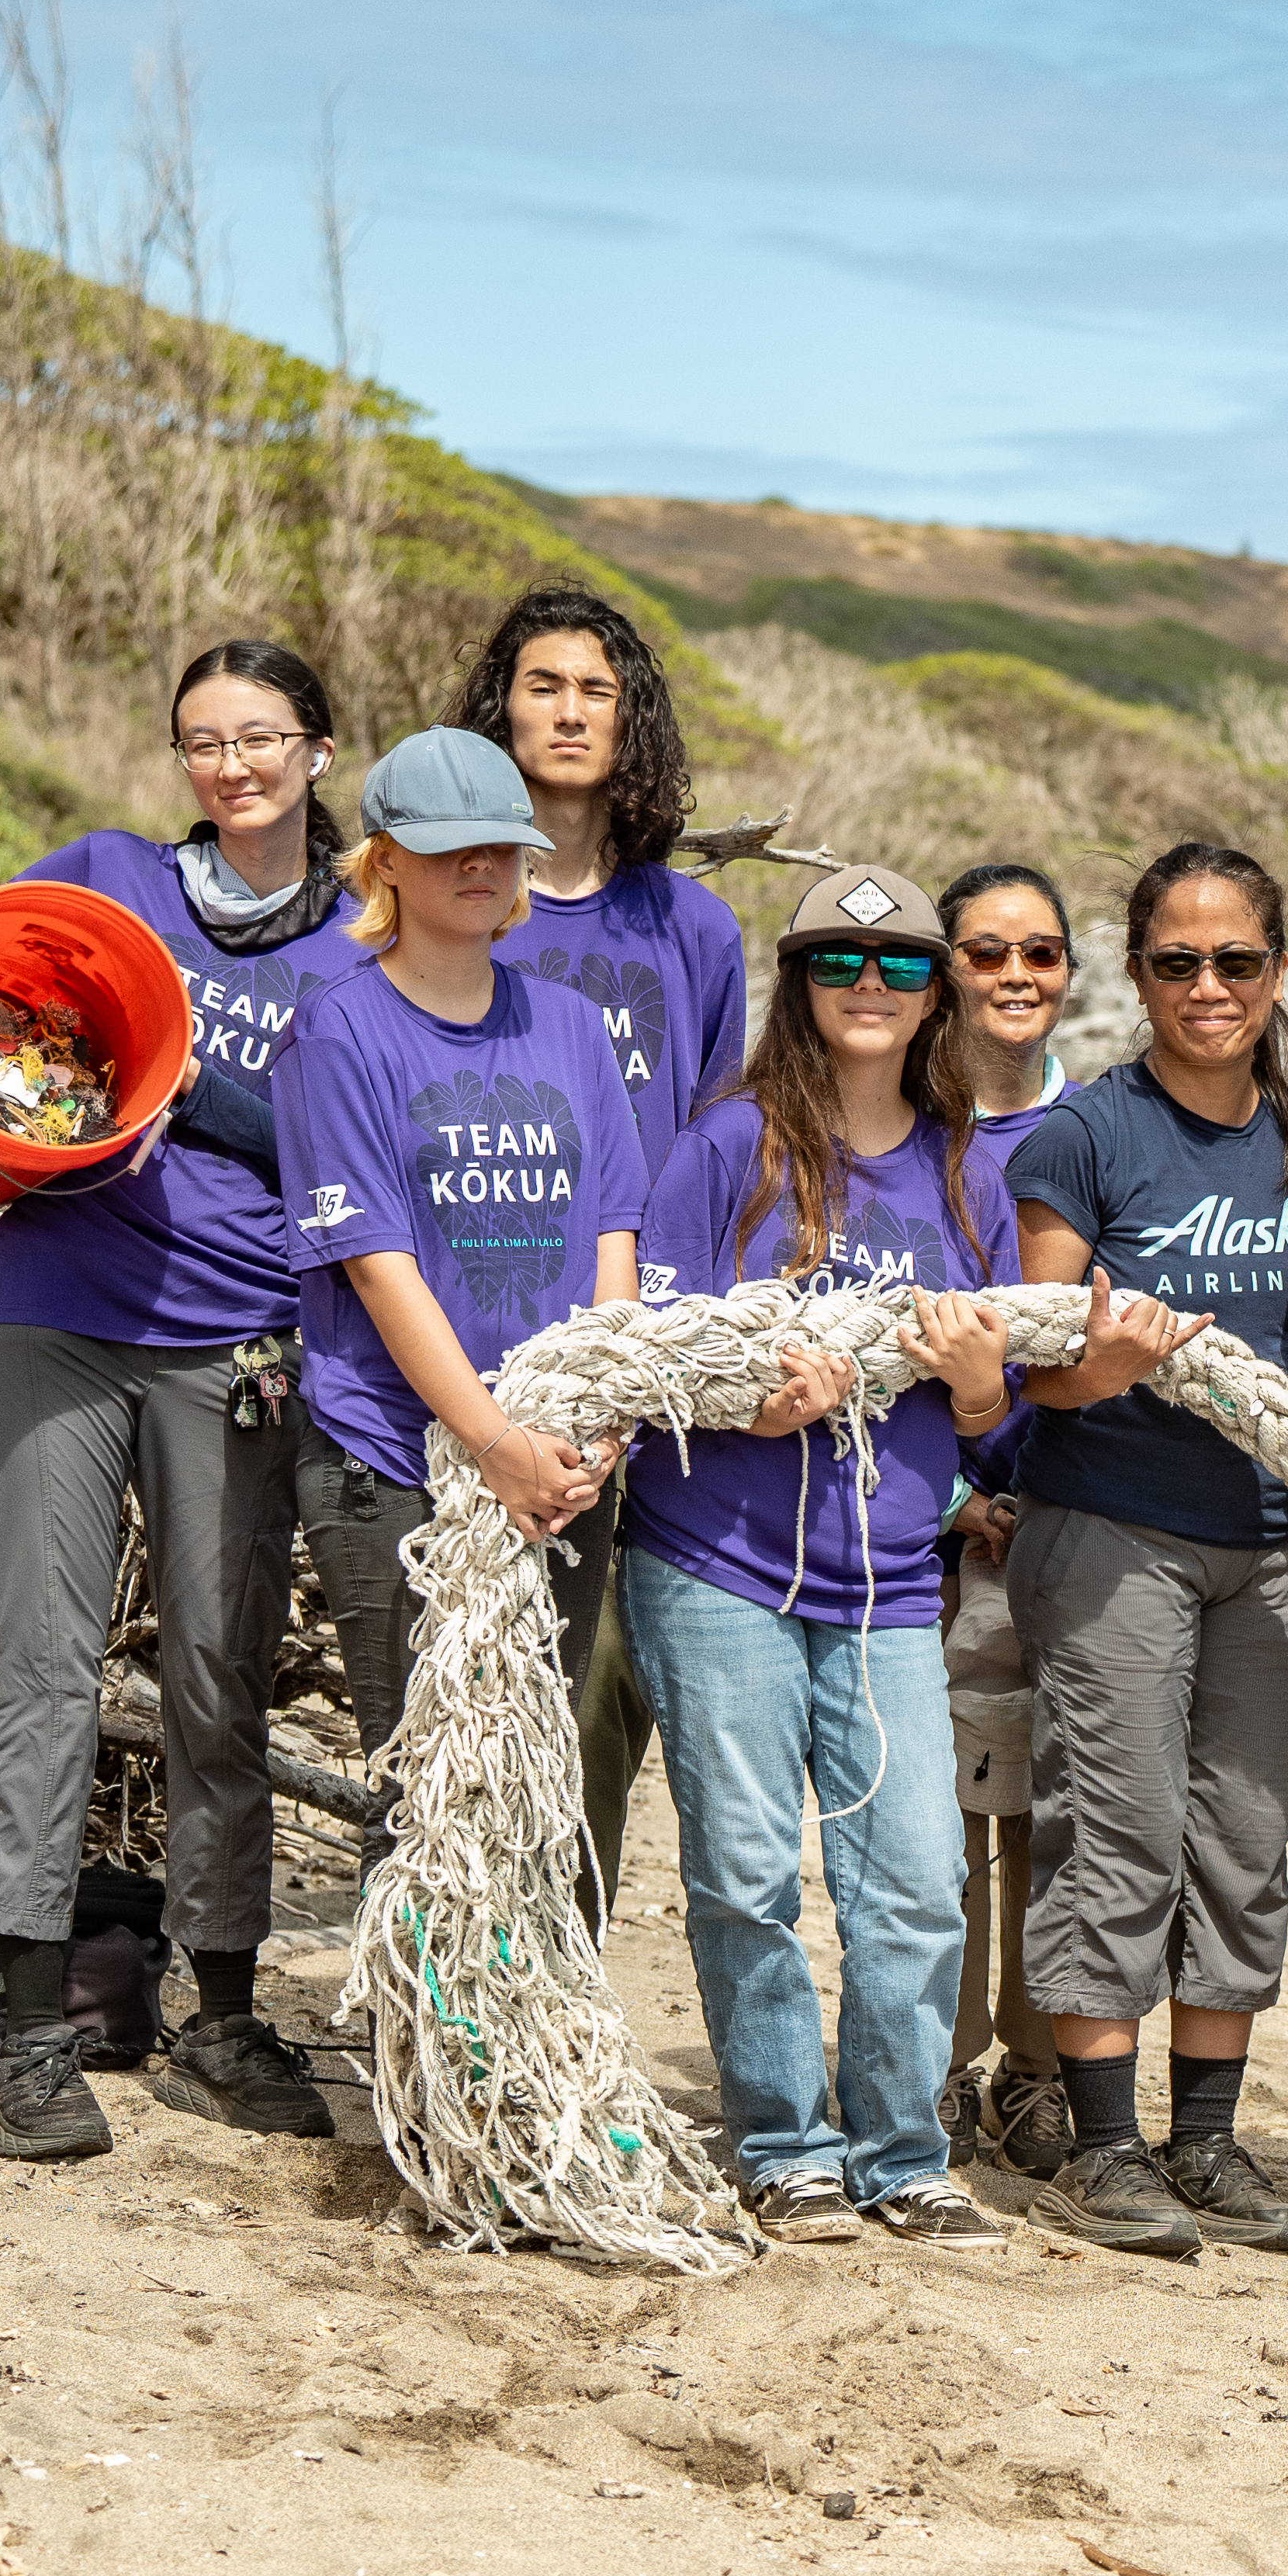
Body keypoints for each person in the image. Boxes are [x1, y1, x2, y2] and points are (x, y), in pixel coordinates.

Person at [0, 642, 363, 2157]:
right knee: (45, 1666)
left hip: (239, 1338)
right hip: (54, 1317)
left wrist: (203, 1096)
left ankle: (224, 2012)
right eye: (201, 739)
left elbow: (347, 1151)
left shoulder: (364, 942)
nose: (231, 763)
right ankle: (29, 2021)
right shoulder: (111, 876)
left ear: (318, 746)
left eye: (259, 735)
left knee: (218, 1678)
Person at [614, 861, 1023, 2249]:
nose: (871, 986)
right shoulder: (727, 1146)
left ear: (937, 998)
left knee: (913, 1878)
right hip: (713, 1559)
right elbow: (645, 1349)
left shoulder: (966, 1170)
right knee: (743, 1869)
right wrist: (748, 1395)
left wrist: (973, 1392)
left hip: (891, 1583)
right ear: (797, 987)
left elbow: (998, 1408)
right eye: (841, 965)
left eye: (904, 967)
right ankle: (784, 2143)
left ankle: (901, 2152)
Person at [1002, 840, 1288, 2264]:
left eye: (1236, 962)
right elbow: (1033, 1372)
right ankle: (1104, 2144)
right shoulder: (1080, 1140)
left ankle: (1206, 2143)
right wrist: (1110, 1363)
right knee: (1117, 1834)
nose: (1209, 987)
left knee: (1243, 1851)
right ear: (1136, 975)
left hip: (1268, 1545)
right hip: (1110, 1530)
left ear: (1274, 972)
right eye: (1177, 962)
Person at [275, 728, 650, 1869]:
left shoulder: (571, 1026)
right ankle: (431, 2048)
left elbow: (611, 1231)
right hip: (395, 1457)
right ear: (384, 861)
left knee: (537, 1770)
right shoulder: (337, 1030)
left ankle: (527, 2036)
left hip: (563, 1461)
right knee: (431, 1782)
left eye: (500, 846)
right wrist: (491, 1442)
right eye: (446, 850)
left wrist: (594, 1421)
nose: (478, 867)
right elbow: (377, 1265)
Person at [460, 586, 748, 1923]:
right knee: (465, 1685)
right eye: (541, 685)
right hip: (467, 1343)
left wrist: (663, 1360)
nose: (568, 711)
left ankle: (557, 1977)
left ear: (628, 718)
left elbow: (712, 1144)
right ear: (498, 708)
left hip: (641, 1364)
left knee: (600, 1694)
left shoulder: (688, 927)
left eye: (597, 689)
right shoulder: (457, 898)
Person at [931, 860, 1082, 2187]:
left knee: (1045, 1815)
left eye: (1039, 952)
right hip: (922, 1525)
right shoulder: (902, 1127)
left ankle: (1034, 2074)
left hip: (1065, 1516)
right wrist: (947, 1491)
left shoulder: (1095, 1130)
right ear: (947, 969)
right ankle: (931, 2058)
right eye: (986, 952)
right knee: (928, 1818)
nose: (1014, 975)